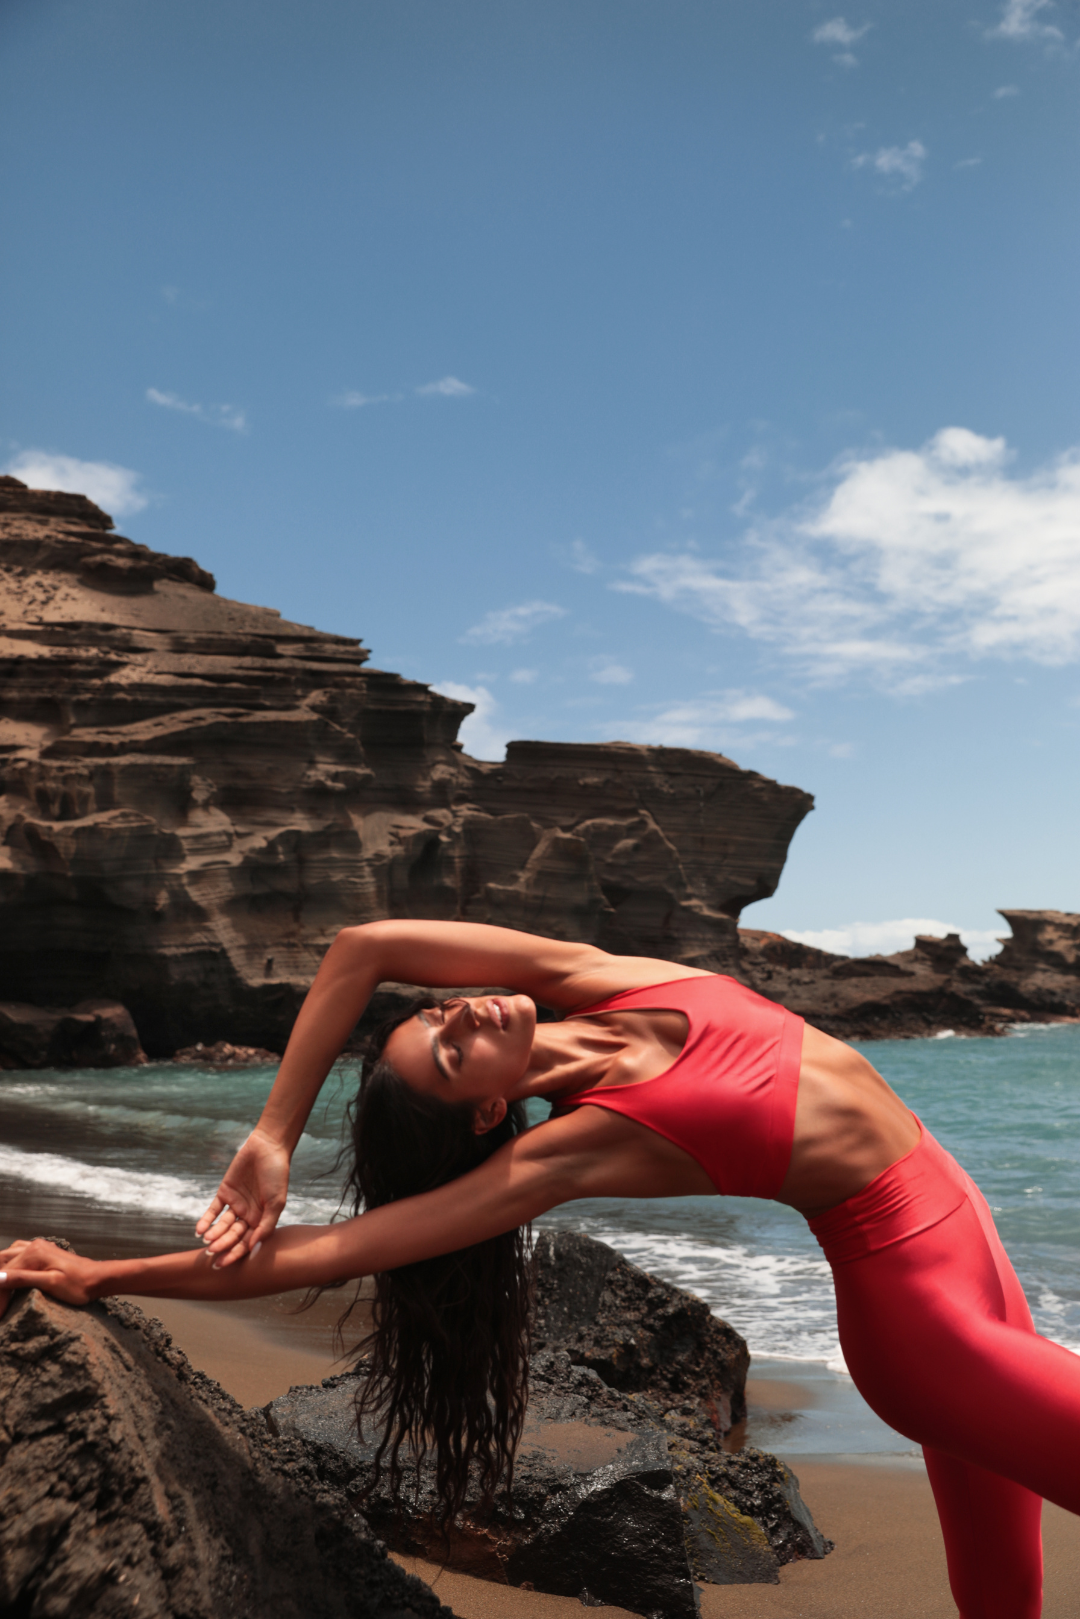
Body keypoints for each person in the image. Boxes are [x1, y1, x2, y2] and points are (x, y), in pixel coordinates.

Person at [2, 920, 1079, 1617]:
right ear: (485, 1107)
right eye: (456, 1046)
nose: (462, 1008)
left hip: (978, 1249)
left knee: (1004, 1593)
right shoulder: (563, 1149)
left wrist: (272, 1134)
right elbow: (331, 1249)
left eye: (437, 1014)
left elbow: (361, 946)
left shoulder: (595, 980)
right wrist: (104, 1271)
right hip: (929, 1329)